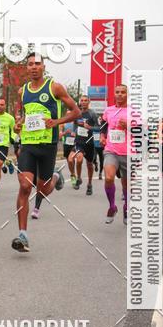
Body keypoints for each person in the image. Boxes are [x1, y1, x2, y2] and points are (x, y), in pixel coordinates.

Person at [12, 53, 80, 251]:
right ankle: (22, 234)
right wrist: (19, 124)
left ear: (44, 67)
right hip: (29, 144)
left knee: (41, 189)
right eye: (30, 64)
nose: (34, 67)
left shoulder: (54, 87)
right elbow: (25, 115)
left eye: (38, 64)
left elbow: (76, 112)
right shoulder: (22, 91)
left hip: (48, 146)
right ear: (27, 68)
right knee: (25, 186)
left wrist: (57, 122)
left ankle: (56, 179)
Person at [100, 84, 138, 225]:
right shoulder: (109, 110)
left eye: (123, 92)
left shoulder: (134, 112)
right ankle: (112, 206)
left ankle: (127, 207)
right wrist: (102, 136)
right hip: (111, 150)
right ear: (114, 94)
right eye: (117, 92)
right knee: (109, 178)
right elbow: (103, 124)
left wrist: (128, 126)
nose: (120, 94)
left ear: (127, 94)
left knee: (127, 185)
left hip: (128, 152)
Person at [68, 94, 98, 195]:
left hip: (89, 142)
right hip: (79, 142)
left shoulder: (92, 114)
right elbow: (75, 124)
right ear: (80, 102)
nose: (84, 102)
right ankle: (77, 177)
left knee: (89, 165)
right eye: (82, 100)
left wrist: (90, 127)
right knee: (72, 159)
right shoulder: (77, 113)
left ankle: (89, 184)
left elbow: (99, 128)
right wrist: (74, 132)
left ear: (89, 102)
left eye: (86, 100)